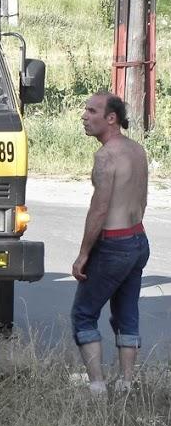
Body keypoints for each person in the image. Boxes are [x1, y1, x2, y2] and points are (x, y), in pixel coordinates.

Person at [71, 91, 149, 394]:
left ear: (111, 118)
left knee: (84, 314)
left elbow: (100, 208)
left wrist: (83, 254)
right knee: (127, 313)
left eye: (92, 111)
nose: (84, 116)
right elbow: (141, 198)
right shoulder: (136, 149)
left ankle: (97, 386)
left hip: (114, 243)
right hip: (138, 238)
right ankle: (127, 383)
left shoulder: (105, 156)